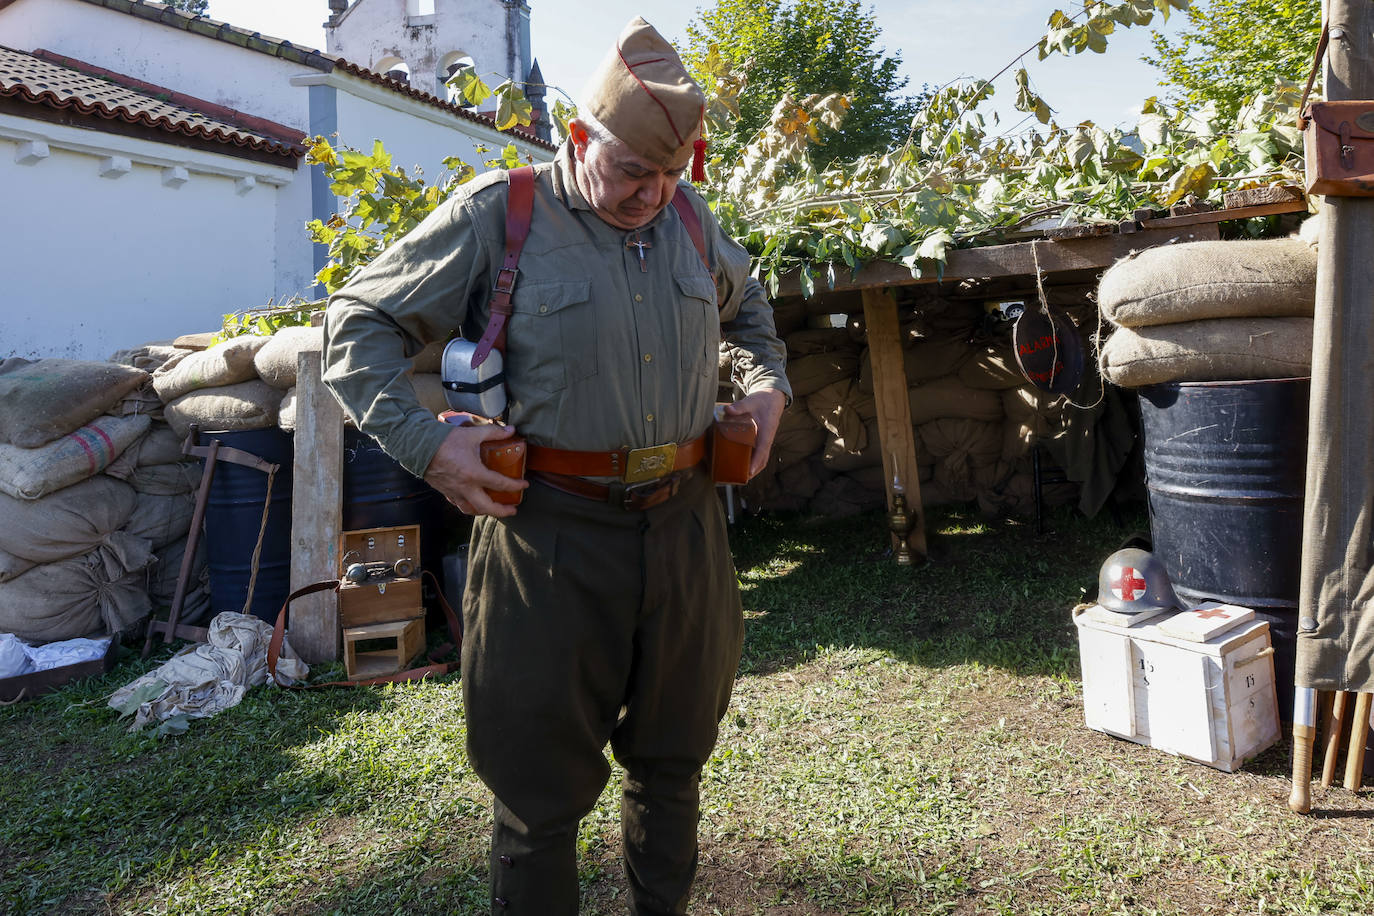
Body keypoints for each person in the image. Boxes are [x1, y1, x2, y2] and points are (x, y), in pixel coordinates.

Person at [322, 16, 791, 914]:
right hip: (547, 535)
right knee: (537, 799)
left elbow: (752, 318)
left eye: (669, 175)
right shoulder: (503, 214)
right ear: (579, 139)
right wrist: (430, 448)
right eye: (630, 171)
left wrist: (765, 390)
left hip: (687, 529)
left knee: (673, 765)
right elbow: (357, 326)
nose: (651, 194)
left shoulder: (692, 220)